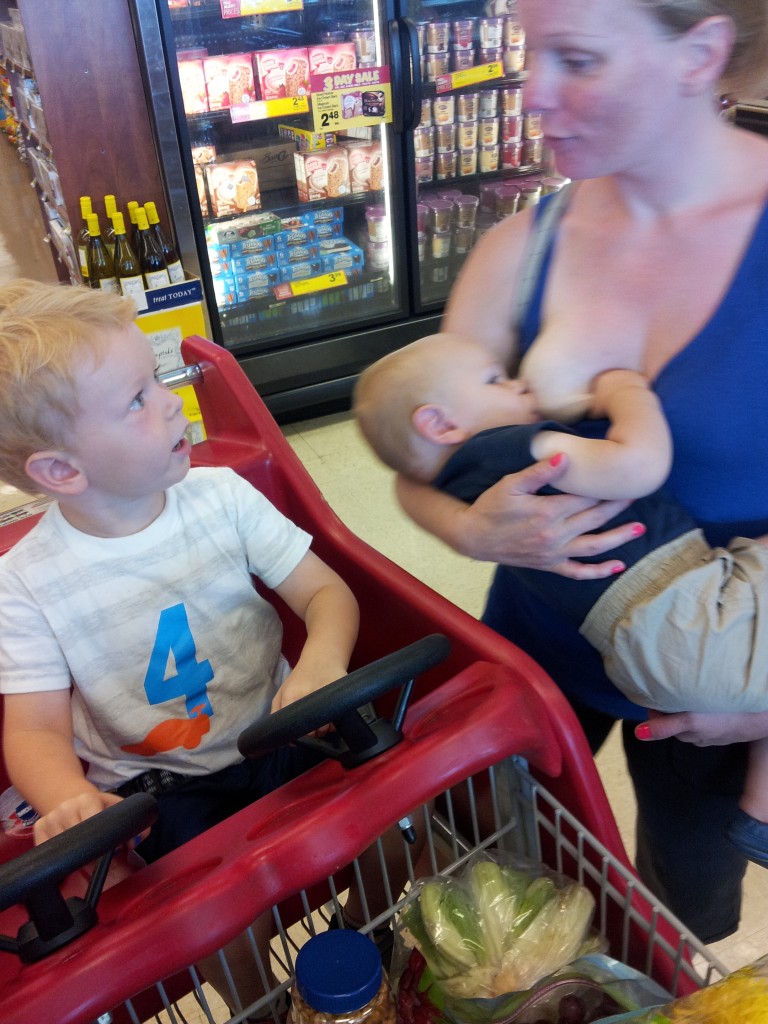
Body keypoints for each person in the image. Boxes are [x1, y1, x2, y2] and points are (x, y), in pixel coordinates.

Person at [394, 0, 768, 944]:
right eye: (529, 52)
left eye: (578, 58)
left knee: (682, 912)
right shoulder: (519, 252)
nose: (532, 95)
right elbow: (417, 461)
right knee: (494, 878)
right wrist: (472, 530)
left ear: (701, 53)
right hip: (534, 652)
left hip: (715, 670)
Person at [0, 279, 382, 1019]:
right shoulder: (24, 583)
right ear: (61, 471)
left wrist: (321, 665)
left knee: (387, 832)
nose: (174, 402)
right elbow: (34, 730)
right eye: (139, 397)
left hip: (280, 725)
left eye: (159, 378)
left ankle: (367, 950)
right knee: (210, 922)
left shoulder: (223, 498)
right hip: (158, 788)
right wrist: (70, 800)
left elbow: (326, 595)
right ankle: (262, 1005)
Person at [355, 331, 768, 865]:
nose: (519, 382)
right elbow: (639, 465)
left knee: (517, 824)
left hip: (633, 645)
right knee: (681, 865)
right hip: (693, 611)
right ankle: (757, 809)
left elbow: (411, 468)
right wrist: (626, 392)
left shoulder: (461, 469)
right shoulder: (515, 445)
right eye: (496, 379)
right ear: (440, 424)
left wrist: (621, 390)